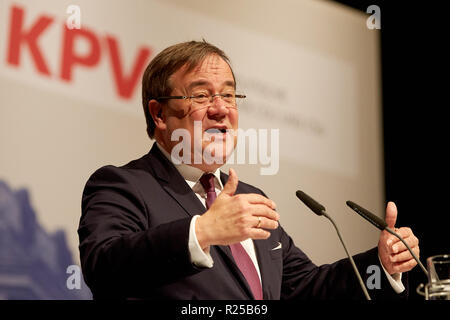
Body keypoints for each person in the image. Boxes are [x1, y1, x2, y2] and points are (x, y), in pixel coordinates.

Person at [78, 40, 420, 300]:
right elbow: (103, 267)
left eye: (229, 96)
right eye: (201, 96)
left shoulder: (249, 198)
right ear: (159, 114)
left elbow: (305, 288)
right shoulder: (122, 184)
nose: (221, 109)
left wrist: (381, 264)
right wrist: (201, 232)